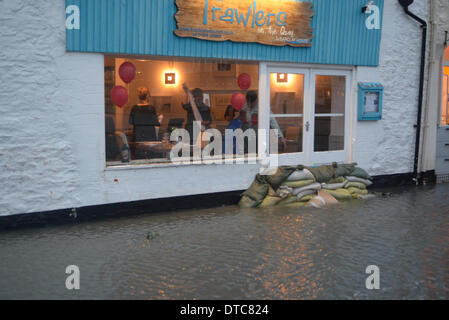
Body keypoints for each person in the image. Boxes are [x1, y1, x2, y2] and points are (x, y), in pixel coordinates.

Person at [129, 87, 161, 159]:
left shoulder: (134, 108)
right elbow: (156, 123)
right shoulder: (151, 108)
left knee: (139, 158)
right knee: (151, 158)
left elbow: (131, 122)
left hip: (138, 138)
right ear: (147, 96)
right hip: (150, 138)